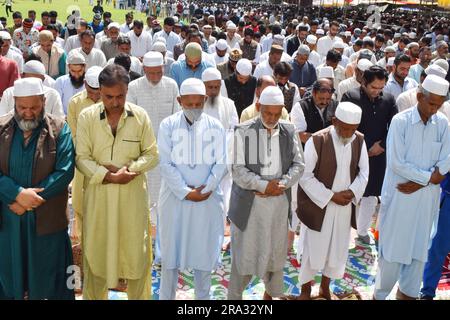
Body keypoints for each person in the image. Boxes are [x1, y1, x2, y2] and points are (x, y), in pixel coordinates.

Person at [76, 64, 159, 300]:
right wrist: (109, 176)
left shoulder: (139, 116)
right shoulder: (87, 117)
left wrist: (130, 170)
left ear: (127, 91)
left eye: (120, 96)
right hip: (99, 198)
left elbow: (152, 154)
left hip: (131, 198)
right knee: (96, 255)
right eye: (108, 96)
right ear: (100, 92)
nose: (114, 102)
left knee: (138, 256)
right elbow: (81, 158)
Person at [374, 75, 450, 300]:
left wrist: (421, 182)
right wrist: (429, 178)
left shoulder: (443, 123)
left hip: (426, 201)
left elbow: (446, 159)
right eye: (431, 103)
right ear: (419, 97)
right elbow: (397, 163)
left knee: (418, 253)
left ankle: (407, 294)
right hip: (400, 197)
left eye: (439, 104)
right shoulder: (400, 121)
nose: (435, 109)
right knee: (392, 254)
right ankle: (380, 295)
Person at [0, 78, 75, 300]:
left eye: (34, 107)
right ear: (14, 103)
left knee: (49, 279)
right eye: (22, 107)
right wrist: (15, 194)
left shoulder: (60, 129)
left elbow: (65, 171)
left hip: (46, 220)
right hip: (9, 218)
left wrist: (29, 199)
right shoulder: (1, 127)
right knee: (9, 277)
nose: (28, 113)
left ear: (44, 101)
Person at [227, 85, 304, 300]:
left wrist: (282, 183)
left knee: (274, 259)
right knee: (244, 261)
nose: (271, 118)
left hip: (277, 206)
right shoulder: (243, 131)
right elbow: (237, 169)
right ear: (259, 107)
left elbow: (299, 165)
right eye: (267, 113)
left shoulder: (289, 130)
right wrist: (262, 185)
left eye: (276, 113)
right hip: (249, 208)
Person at [158, 78, 227, 300]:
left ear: (205, 101)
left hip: (206, 202)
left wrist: (206, 189)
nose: (195, 109)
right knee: (170, 258)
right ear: (180, 101)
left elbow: (222, 162)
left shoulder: (215, 126)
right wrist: (187, 192)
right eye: (190, 104)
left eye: (199, 104)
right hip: (175, 200)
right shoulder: (167, 125)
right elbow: (165, 163)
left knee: (203, 256)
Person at [297, 101, 369, 300]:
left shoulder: (359, 140)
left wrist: (352, 192)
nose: (348, 133)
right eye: (344, 128)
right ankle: (305, 290)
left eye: (353, 129)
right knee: (313, 249)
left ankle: (325, 288)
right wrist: (330, 196)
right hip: (319, 206)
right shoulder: (318, 140)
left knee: (336, 249)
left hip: (344, 206)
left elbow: (364, 172)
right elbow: (305, 175)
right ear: (335, 121)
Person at [341, 66, 398, 244]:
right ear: (364, 82)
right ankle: (342, 231)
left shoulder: (388, 99)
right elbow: (342, 126)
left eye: (380, 88)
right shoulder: (351, 97)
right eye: (373, 87)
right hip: (352, 153)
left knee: (371, 195)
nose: (377, 91)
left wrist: (381, 145)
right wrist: (363, 148)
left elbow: (395, 127)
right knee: (347, 192)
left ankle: (363, 230)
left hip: (378, 155)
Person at [66, 66, 103, 243]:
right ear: (85, 85)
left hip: (105, 161)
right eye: (91, 92)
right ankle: (82, 242)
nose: (96, 97)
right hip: (82, 160)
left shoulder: (110, 100)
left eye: (99, 93)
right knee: (80, 202)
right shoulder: (75, 102)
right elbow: (73, 134)